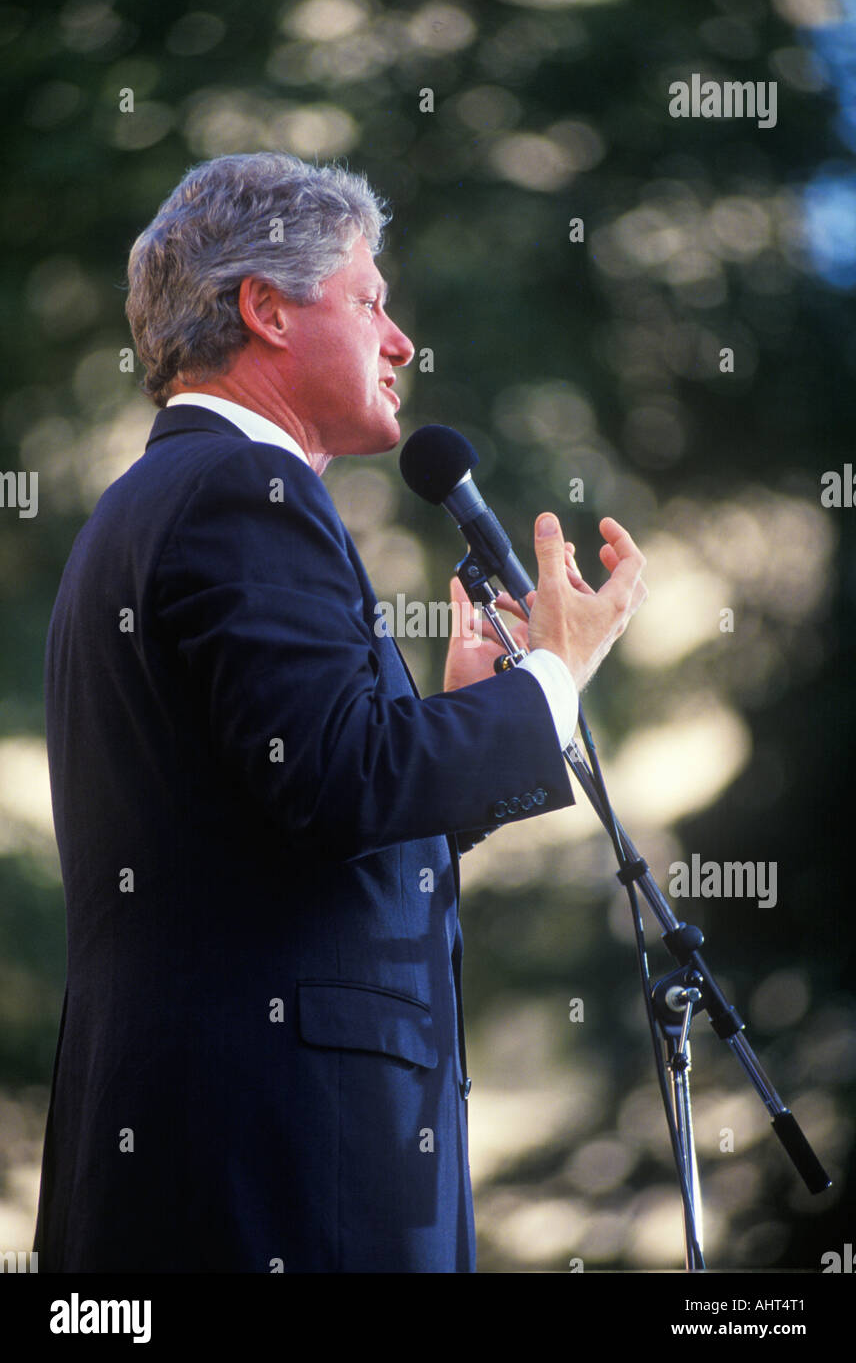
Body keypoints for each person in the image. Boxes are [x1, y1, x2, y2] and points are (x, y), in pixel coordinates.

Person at [32, 152, 646, 1273]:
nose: (402, 339)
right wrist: (549, 679)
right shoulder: (242, 492)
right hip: (278, 1169)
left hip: (202, 1156)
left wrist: (471, 728)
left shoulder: (152, 503)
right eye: (370, 300)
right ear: (265, 309)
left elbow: (285, 811)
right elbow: (339, 780)